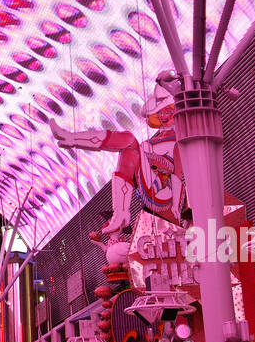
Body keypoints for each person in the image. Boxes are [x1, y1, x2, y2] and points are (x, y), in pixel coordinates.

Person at [51, 77, 185, 235]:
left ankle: (72, 138)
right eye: (160, 111)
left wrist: (176, 205)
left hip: (163, 192)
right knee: (128, 150)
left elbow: (177, 175)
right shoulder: (154, 140)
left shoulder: (179, 138)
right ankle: (120, 214)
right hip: (146, 185)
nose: (163, 115)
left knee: (128, 140)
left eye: (168, 111)